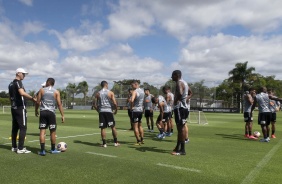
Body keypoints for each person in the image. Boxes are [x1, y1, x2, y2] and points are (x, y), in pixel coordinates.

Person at [8, 68, 36, 154]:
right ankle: (20, 148)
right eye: (23, 74)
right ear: (18, 73)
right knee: (23, 128)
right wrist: (32, 98)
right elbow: (22, 93)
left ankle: (14, 147)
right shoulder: (18, 82)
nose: (24, 75)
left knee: (15, 128)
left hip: (14, 108)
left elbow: (10, 96)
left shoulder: (10, 84)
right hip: (20, 108)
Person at [35, 78, 65, 155]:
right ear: (53, 83)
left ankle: (42, 151)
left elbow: (38, 102)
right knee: (52, 132)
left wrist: (36, 110)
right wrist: (62, 115)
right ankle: (52, 149)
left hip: (43, 112)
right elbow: (59, 104)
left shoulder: (42, 90)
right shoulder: (56, 92)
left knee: (42, 131)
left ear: (47, 82)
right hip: (51, 113)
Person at [93, 81, 119, 147]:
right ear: (106, 85)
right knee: (112, 127)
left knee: (103, 128)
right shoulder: (110, 92)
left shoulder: (98, 93)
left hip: (102, 112)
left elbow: (94, 104)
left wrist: (98, 111)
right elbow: (115, 103)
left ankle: (104, 144)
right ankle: (115, 142)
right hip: (109, 111)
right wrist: (116, 110)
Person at [171, 70, 189, 156]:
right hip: (184, 108)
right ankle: (178, 147)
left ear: (176, 75)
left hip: (180, 108)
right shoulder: (185, 82)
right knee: (180, 128)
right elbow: (190, 92)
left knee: (180, 129)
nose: (171, 77)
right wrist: (186, 99)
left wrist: (175, 101)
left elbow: (180, 93)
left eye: (173, 75)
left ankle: (182, 150)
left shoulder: (179, 82)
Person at [130, 80, 145, 145]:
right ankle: (142, 139)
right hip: (140, 110)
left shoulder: (135, 91)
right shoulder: (142, 91)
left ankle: (138, 141)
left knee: (135, 126)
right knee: (140, 125)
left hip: (135, 110)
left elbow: (131, 100)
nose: (132, 87)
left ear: (136, 84)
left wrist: (131, 107)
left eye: (132, 85)